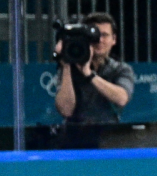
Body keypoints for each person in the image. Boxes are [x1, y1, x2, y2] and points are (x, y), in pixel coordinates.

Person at [53, 12, 135, 149]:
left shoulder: (121, 69)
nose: (100, 40)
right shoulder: (70, 69)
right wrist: (66, 65)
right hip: (74, 141)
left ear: (114, 39)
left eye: (105, 35)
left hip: (110, 139)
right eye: (95, 35)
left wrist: (89, 74)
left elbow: (121, 98)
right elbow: (65, 110)